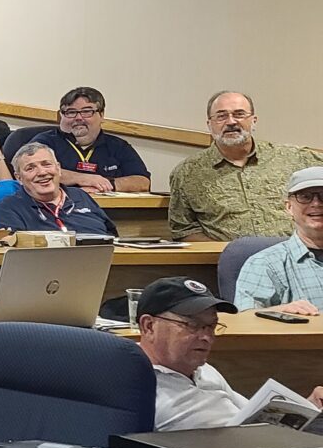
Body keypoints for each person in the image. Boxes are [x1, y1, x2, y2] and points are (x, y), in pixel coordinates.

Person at [138, 276, 323, 429]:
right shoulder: (137, 382)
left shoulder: (203, 369)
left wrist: (309, 407)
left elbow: (251, 418)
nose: (206, 337)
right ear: (149, 326)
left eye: (211, 326)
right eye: (192, 325)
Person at [169, 91, 322, 241]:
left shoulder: (294, 158)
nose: (231, 122)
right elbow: (183, 229)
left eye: (239, 114)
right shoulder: (187, 172)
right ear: (209, 124)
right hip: (232, 261)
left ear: (254, 120)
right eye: (221, 116)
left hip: (299, 257)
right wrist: (225, 254)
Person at [233, 167, 323, 315]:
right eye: (305, 196)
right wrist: (277, 311)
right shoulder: (264, 263)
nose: (316, 204)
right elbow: (244, 321)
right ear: (289, 207)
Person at [0, 142, 118, 237]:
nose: (42, 172)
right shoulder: (7, 209)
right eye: (30, 168)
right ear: (19, 178)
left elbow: (112, 236)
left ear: (58, 168)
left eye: (46, 164)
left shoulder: (81, 197)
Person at [47, 86, 151, 192]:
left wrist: (105, 184)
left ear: (101, 115)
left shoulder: (118, 146)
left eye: (87, 111)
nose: (78, 118)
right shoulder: (45, 142)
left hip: (108, 207)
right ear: (61, 116)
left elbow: (143, 182)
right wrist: (84, 179)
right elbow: (33, 173)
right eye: (71, 112)